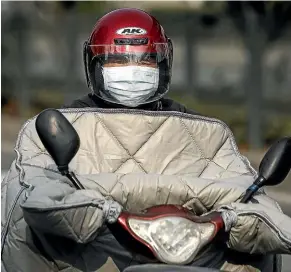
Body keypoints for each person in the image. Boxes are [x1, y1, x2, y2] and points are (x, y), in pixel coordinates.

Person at [2, 8, 288, 272]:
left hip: (193, 252)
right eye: (117, 59)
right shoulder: (65, 123)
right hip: (96, 250)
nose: (132, 68)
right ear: (95, 64)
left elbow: (237, 184)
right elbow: (36, 180)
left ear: (163, 63)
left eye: (147, 60)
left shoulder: (202, 132)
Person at [63, 8, 198, 116]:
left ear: (162, 66)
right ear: (96, 67)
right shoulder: (72, 121)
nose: (133, 71)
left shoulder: (184, 123)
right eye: (118, 60)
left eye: (145, 60)